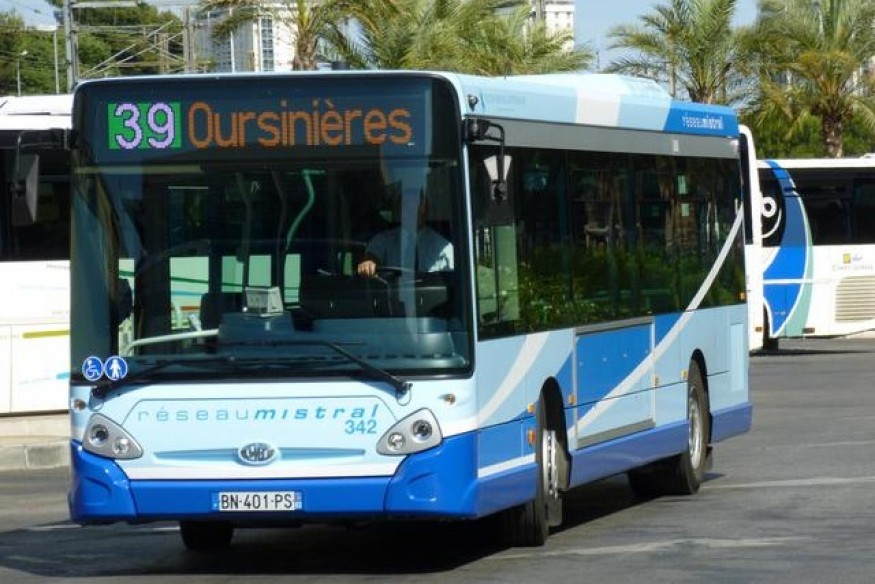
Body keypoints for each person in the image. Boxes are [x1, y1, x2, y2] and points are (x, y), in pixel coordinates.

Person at [357, 188, 454, 277]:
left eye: (417, 205)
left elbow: (453, 280)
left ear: (426, 210)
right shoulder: (384, 240)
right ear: (399, 210)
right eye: (407, 206)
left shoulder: (443, 247)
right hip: (392, 291)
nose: (412, 211)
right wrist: (369, 264)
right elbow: (372, 257)